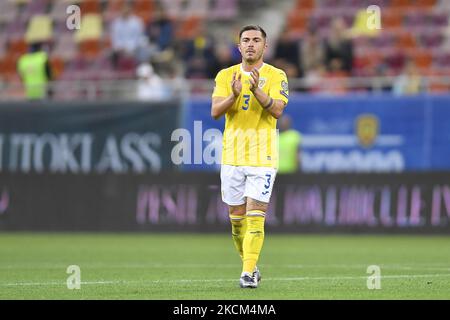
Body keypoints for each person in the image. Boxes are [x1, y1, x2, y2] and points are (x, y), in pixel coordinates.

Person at [211, 25, 289, 288]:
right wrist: (233, 95)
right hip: (232, 155)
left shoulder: (276, 75)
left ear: (265, 46)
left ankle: (246, 275)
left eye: (256, 40)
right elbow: (215, 112)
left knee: (256, 215)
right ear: (239, 46)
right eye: (246, 40)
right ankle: (252, 267)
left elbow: (277, 110)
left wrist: (257, 91)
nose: (251, 44)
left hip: (262, 156)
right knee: (236, 222)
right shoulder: (226, 75)